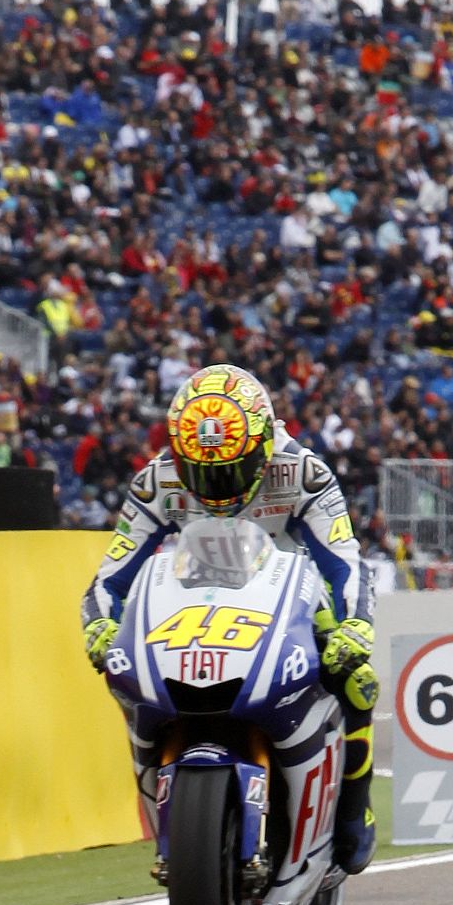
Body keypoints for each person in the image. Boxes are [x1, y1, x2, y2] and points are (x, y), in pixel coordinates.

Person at [80, 364, 380, 875]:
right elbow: (111, 575)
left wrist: (354, 627)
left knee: (356, 679)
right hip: (190, 604)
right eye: (202, 471)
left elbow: (344, 560)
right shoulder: (158, 480)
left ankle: (356, 806)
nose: (215, 484)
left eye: (230, 468)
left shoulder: (303, 473)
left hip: (291, 603)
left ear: (262, 444)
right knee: (127, 675)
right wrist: (99, 624)